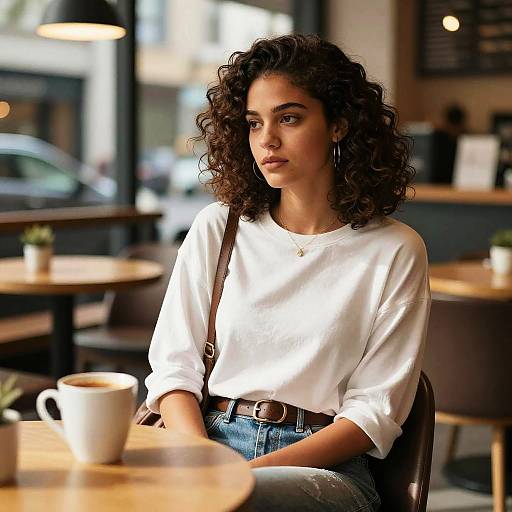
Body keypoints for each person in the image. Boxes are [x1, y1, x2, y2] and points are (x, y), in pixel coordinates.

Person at [145, 34, 431, 512]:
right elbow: (174, 370)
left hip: (324, 469)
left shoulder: (395, 250)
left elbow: (371, 416)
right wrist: (202, 464)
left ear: (338, 124)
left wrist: (235, 479)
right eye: (254, 123)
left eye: (289, 118)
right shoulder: (220, 227)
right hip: (206, 441)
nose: (267, 140)